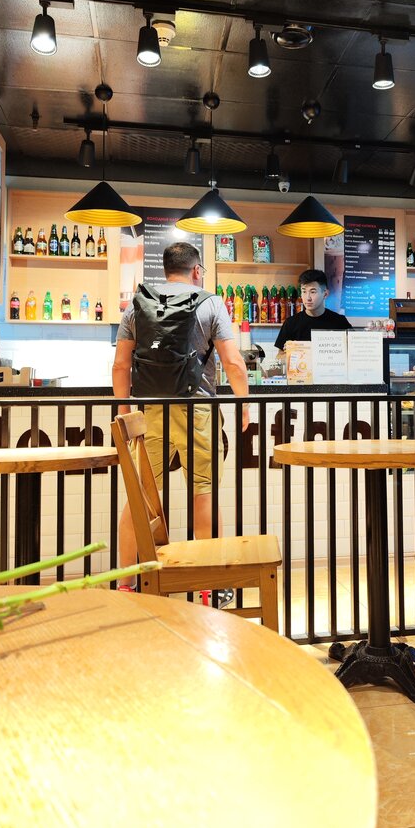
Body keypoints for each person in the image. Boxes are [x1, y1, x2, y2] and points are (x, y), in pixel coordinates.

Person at [113, 242, 250, 594]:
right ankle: (210, 586)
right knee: (203, 493)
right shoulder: (210, 303)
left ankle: (126, 583)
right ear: (197, 270)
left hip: (150, 411)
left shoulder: (139, 304)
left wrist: (124, 411)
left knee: (141, 497)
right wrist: (244, 404)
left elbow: (120, 365)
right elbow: (234, 363)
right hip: (197, 411)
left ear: (165, 269)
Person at [274, 269, 351, 353]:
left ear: (325, 294)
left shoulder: (340, 322)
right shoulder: (291, 323)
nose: (308, 298)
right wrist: (287, 353)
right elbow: (280, 355)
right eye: (304, 291)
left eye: (313, 292)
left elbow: (353, 350)